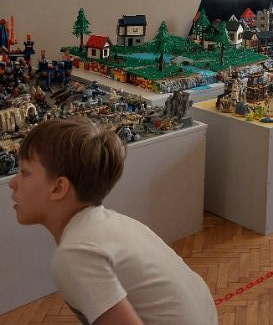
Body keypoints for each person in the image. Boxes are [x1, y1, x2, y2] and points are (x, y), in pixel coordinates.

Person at [9, 118, 218, 325]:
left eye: (25, 173)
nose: (13, 182)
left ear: (58, 188)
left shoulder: (75, 254)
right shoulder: (116, 224)